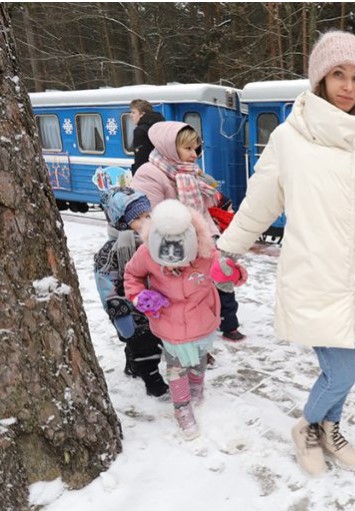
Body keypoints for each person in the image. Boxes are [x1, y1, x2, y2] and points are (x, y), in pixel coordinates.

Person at [212, 30, 355, 476]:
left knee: (343, 373)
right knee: (343, 374)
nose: (347, 86)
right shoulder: (291, 139)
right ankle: (308, 427)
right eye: (337, 75)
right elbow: (260, 203)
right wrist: (226, 251)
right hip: (314, 279)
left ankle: (330, 427)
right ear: (320, 80)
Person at [124, 199, 247, 440]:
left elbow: (229, 275)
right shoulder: (146, 252)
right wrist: (139, 296)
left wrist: (231, 272)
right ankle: (182, 408)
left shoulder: (206, 253)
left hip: (201, 320)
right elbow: (132, 275)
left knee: (199, 359)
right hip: (169, 322)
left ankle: (197, 388)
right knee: (176, 367)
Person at [131, 121, 245, 342]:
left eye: (196, 149)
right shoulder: (149, 173)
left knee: (217, 284)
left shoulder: (189, 171)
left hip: (202, 238)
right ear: (170, 148)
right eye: (188, 149)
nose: (194, 155)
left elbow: (208, 201)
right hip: (173, 247)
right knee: (184, 297)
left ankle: (225, 325)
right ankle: (190, 342)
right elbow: (150, 217)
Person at [93, 187, 168, 398]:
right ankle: (153, 383)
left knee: (146, 344)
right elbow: (105, 282)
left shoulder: (153, 243)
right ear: (122, 222)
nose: (147, 221)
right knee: (145, 347)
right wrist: (119, 311)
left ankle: (133, 365)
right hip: (129, 309)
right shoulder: (111, 251)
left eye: (148, 216)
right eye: (139, 218)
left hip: (154, 305)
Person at [129, 99, 165, 174]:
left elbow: (141, 159)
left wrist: (137, 175)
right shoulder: (160, 126)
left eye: (133, 112)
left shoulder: (140, 131)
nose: (130, 115)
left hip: (147, 173)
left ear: (142, 114)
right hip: (161, 170)